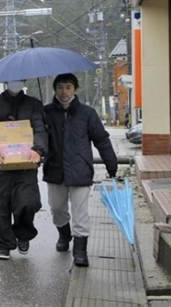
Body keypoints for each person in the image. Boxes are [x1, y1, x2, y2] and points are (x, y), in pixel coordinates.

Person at [43, 73, 118, 267]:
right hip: (55, 169)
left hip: (81, 169)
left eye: (68, 87)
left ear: (75, 89)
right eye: (60, 87)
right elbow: (37, 139)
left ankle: (80, 251)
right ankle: (64, 234)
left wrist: (111, 164)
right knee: (57, 208)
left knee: (80, 212)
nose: (64, 91)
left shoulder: (87, 113)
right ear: (55, 90)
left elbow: (101, 139)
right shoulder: (46, 112)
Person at [0, 80, 47, 260]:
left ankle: (23, 234)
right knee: (0, 205)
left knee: (28, 202)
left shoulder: (34, 104)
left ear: (25, 82)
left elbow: (40, 129)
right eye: (12, 80)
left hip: (26, 163)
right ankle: (3, 244)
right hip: (1, 163)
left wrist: (38, 149)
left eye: (19, 80)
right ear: (5, 82)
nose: (16, 83)